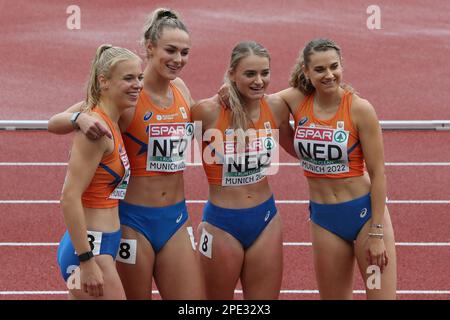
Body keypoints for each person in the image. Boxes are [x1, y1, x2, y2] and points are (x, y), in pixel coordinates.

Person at [49, 8, 205, 300]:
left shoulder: (182, 89)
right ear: (149, 47)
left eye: (185, 52)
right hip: (133, 222)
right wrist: (78, 119)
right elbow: (56, 121)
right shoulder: (128, 93)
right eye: (170, 50)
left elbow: (203, 130)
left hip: (176, 218)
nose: (178, 59)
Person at [277, 38, 397, 299]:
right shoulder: (297, 101)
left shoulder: (360, 109)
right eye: (319, 69)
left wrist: (377, 232)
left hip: (365, 217)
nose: (329, 75)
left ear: (342, 66)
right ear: (306, 72)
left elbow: (378, 174)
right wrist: (227, 91)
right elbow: (260, 100)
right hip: (325, 220)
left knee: (380, 296)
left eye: (334, 67)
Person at [191, 41, 295, 299]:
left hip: (266, 220)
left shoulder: (277, 107)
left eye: (265, 73)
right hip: (221, 223)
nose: (259, 81)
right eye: (250, 74)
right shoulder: (207, 112)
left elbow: (299, 149)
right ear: (232, 73)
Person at [56, 44, 143, 299]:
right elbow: (68, 197)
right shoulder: (95, 131)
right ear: (103, 81)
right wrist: (86, 261)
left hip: (102, 243)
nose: (137, 84)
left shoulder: (109, 119)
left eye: (139, 77)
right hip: (91, 250)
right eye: (128, 78)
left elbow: (56, 121)